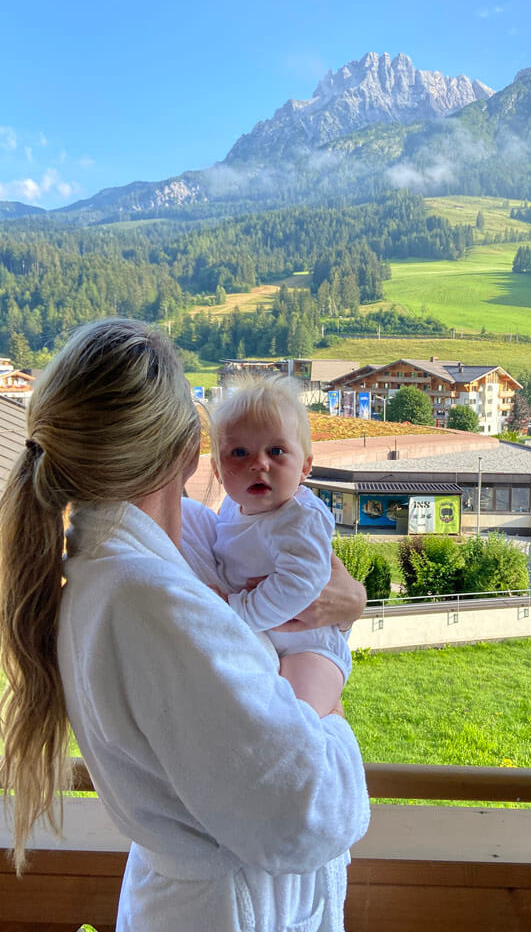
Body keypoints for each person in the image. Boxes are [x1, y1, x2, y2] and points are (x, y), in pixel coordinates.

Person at [0, 318, 369, 931]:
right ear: (193, 453)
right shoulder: (151, 602)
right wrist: (323, 713)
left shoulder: (117, 567)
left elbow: (253, 566)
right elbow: (306, 813)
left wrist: (346, 605)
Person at [208, 375, 350, 717]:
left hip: (310, 648)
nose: (259, 464)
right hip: (268, 641)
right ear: (216, 469)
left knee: (295, 720)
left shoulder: (300, 518)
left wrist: (237, 610)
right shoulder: (230, 508)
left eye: (276, 451)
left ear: (305, 467)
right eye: (239, 452)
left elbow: (299, 584)